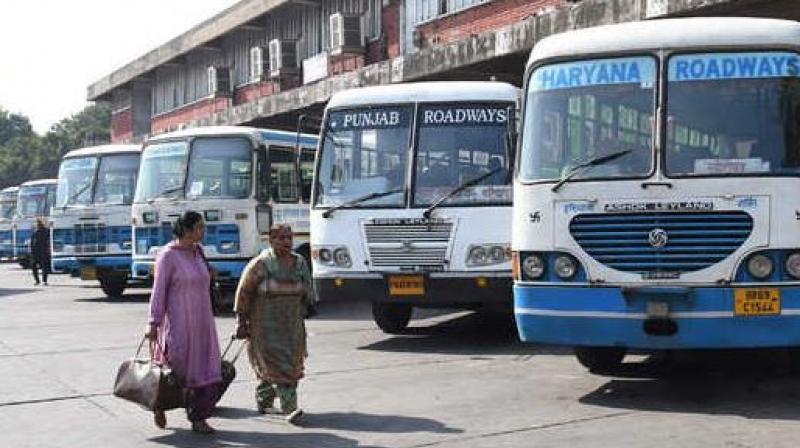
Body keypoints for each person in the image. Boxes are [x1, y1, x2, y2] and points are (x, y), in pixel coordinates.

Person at [145, 211, 222, 434]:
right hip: (179, 324)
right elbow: (158, 291)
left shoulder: (198, 252)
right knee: (174, 373)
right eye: (199, 227)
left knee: (206, 370)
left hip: (203, 323)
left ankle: (198, 418)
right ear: (186, 230)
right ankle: (159, 405)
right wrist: (153, 322)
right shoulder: (168, 255)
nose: (203, 231)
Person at [234, 224, 314, 424]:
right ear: (271, 241)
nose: (286, 242)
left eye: (289, 238)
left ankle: (265, 401)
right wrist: (241, 322)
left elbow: (308, 291)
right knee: (275, 366)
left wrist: (306, 307)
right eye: (280, 238)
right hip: (264, 329)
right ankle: (290, 408)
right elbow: (244, 293)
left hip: (292, 328)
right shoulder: (260, 264)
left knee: (285, 365)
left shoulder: (299, 262)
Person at [29, 217, 51, 286]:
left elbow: (32, 243)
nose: (37, 225)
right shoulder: (37, 232)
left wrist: (32, 252)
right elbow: (32, 243)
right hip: (41, 252)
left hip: (40, 252)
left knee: (38, 267)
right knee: (43, 267)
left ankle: (40, 281)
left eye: (37, 223)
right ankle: (42, 281)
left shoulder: (44, 231)